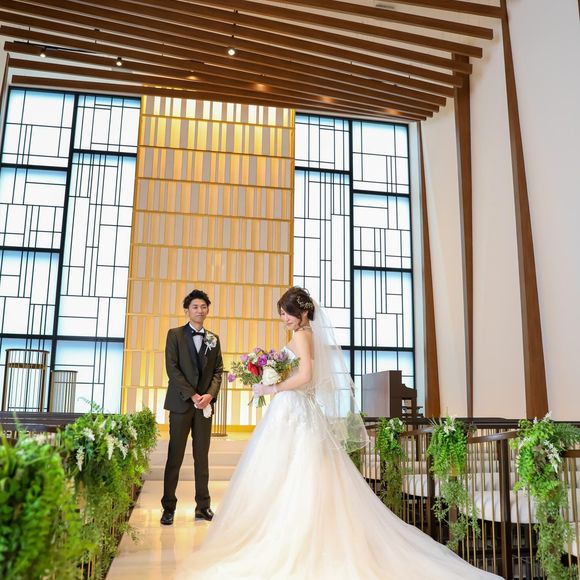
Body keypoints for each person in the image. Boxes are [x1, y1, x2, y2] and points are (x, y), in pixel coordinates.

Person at [179, 287, 500, 578]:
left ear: (303, 312)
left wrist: (271, 386)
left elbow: (306, 376)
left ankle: (297, 540)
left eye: (287, 313)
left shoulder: (303, 336)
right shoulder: (305, 334)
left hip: (294, 409)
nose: (284, 319)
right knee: (289, 473)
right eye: (281, 313)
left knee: (296, 474)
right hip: (294, 410)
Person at [160, 289, 223, 525]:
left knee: (202, 457)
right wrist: (193, 395)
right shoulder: (174, 335)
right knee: (174, 456)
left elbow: (218, 371)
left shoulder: (214, 339)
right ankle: (168, 507)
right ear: (187, 310)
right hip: (181, 404)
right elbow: (172, 369)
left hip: (204, 407)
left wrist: (209, 395)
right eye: (195, 306)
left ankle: (203, 506)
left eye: (204, 307)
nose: (200, 310)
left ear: (208, 310)